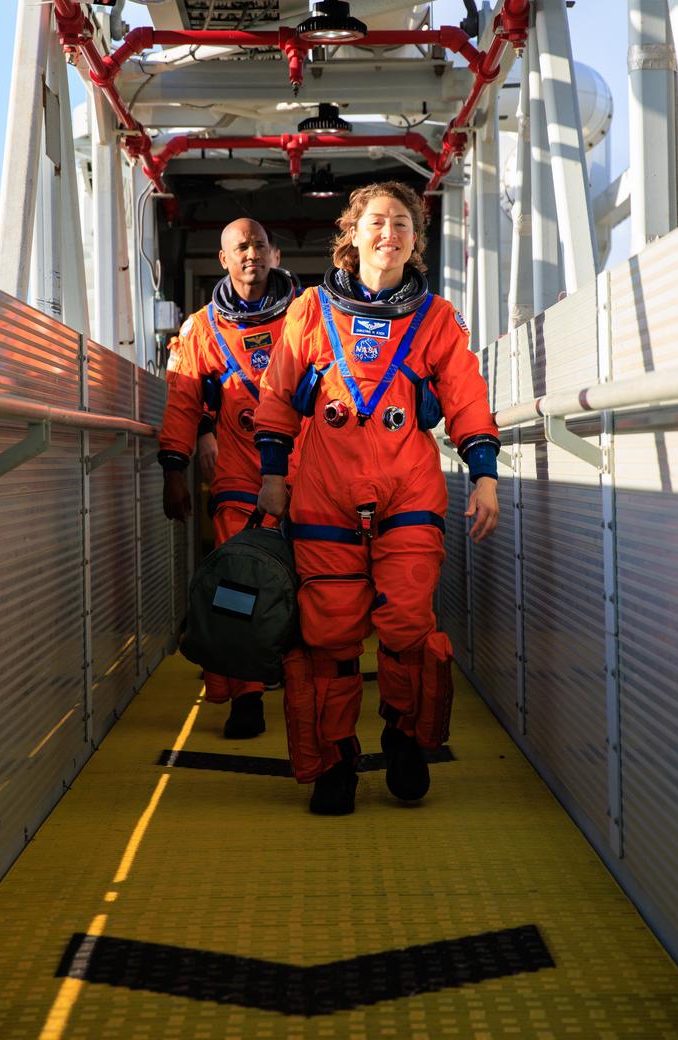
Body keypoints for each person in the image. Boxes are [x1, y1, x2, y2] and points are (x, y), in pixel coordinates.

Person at [254, 181, 500, 815]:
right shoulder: (309, 310)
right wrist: (273, 474)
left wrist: (485, 473)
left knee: (408, 625)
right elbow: (277, 395)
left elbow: (468, 396)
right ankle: (336, 760)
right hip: (324, 492)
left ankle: (405, 736)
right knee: (330, 635)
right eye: (376, 222)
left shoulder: (436, 318)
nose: (389, 233)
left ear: (416, 241)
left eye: (402, 224)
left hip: (408, 488)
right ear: (351, 234)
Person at [159, 217, 298, 738]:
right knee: (239, 587)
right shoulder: (201, 329)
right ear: (223, 259)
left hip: (309, 469)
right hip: (241, 472)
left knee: (317, 580)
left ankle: (303, 684)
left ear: (274, 254)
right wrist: (175, 468)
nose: (251, 254)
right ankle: (246, 698)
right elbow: (182, 401)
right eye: (241, 247)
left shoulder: (308, 314)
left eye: (259, 244)